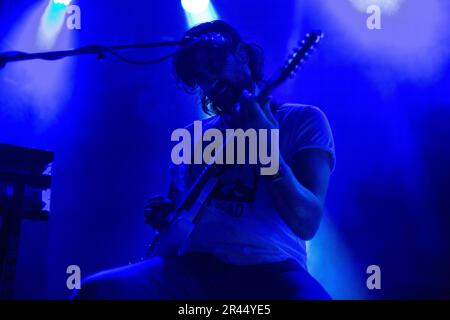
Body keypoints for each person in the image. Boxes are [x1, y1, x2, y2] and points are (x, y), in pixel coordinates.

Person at [72, 20, 335, 300]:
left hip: (272, 267)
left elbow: (306, 222)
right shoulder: (191, 135)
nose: (210, 83)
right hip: (195, 268)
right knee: (95, 291)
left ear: (243, 56)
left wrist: (263, 142)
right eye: (200, 77)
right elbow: (180, 218)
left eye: (214, 66)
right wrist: (166, 217)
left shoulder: (302, 120)